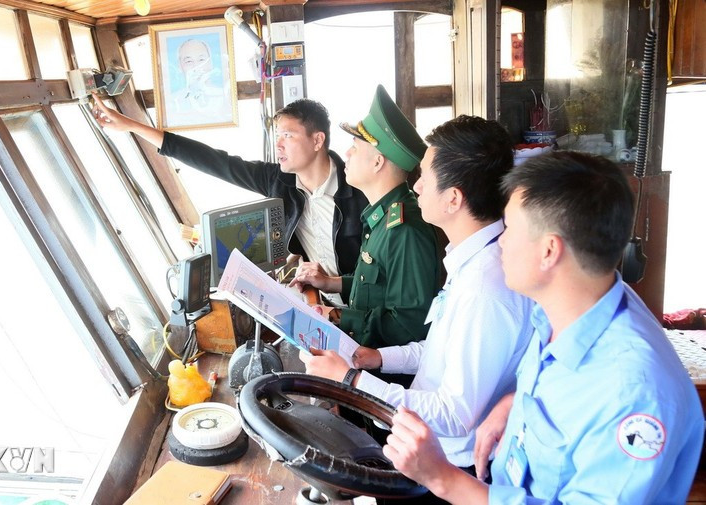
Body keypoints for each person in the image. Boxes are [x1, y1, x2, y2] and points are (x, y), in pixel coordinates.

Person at [384, 151, 704, 504]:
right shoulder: (574, 305)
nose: (501, 241)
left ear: (550, 250)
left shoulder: (633, 391)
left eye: (510, 229)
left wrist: (442, 479)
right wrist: (513, 401)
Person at [302, 116, 534, 504]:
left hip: (450, 466)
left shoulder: (485, 288)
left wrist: (351, 381)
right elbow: (437, 347)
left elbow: (455, 412)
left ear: (454, 198)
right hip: (427, 447)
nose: (417, 185)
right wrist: (374, 358)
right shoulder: (470, 262)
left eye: (425, 176)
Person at [90, 94, 368, 293]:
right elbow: (216, 162)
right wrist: (132, 127)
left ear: (317, 140)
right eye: (277, 136)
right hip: (321, 304)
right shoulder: (278, 182)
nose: (278, 145)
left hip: (365, 304)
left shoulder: (359, 188)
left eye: (288, 136)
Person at [291, 84, 442, 350]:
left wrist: (337, 316)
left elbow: (408, 326)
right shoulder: (380, 216)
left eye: (355, 147)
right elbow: (376, 287)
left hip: (386, 376)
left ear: (377, 162)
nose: (346, 154)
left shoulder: (404, 231)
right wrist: (330, 282)